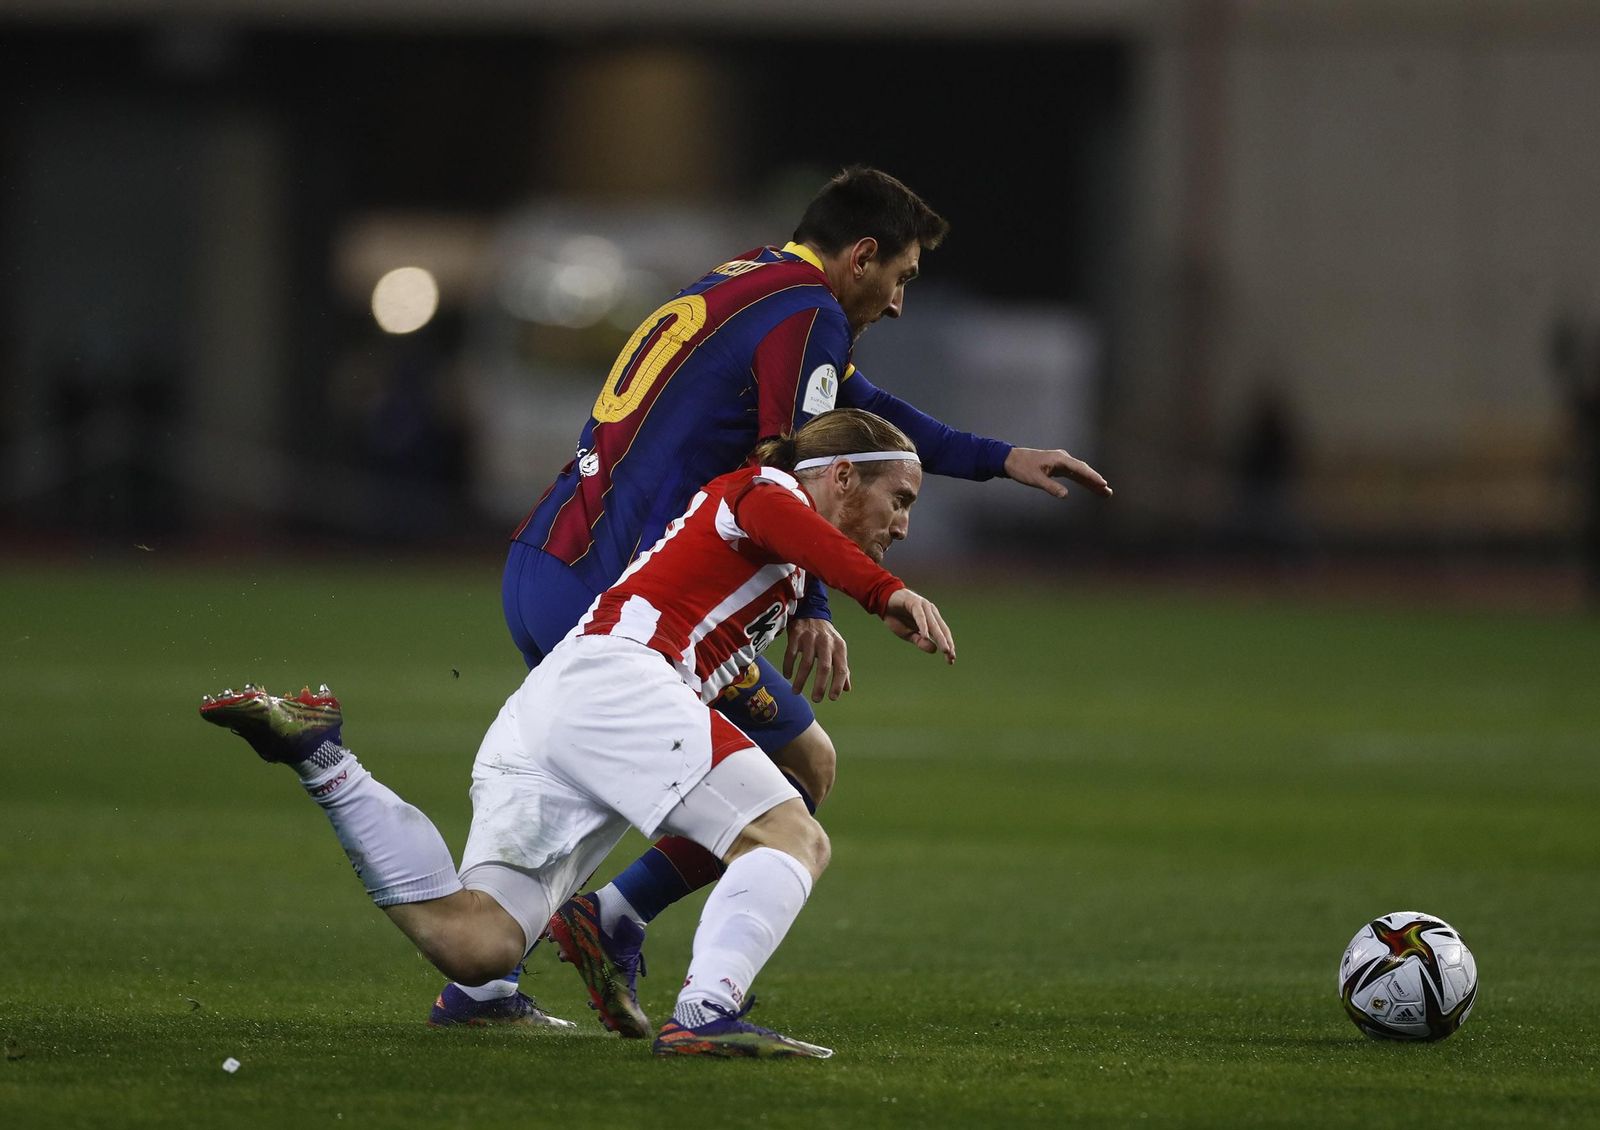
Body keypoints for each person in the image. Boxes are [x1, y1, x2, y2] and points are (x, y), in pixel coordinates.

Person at [481, 165, 1112, 1033]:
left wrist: (1002, 458)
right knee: (794, 770)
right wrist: (814, 607)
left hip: (547, 554)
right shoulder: (808, 312)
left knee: (575, 786)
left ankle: (493, 977)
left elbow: (867, 415)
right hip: (617, 588)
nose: (898, 304)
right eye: (900, 278)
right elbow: (798, 471)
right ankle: (627, 943)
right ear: (861, 256)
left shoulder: (747, 282)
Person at [200, 409, 953, 1057]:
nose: (905, 522)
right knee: (793, 838)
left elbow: (714, 634)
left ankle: (325, 760)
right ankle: (706, 1013)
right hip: (621, 684)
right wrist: (881, 591)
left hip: (556, 708)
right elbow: (779, 521)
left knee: (478, 945)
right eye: (900, 497)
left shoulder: (772, 560)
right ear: (844, 476)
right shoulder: (766, 490)